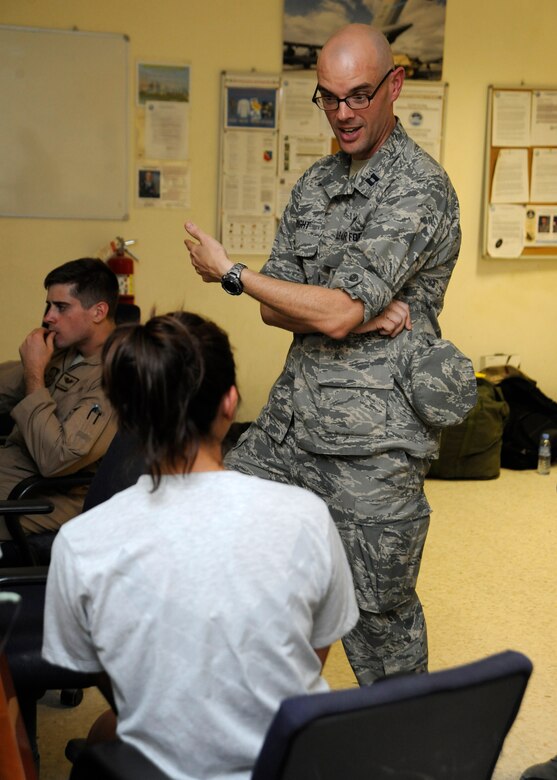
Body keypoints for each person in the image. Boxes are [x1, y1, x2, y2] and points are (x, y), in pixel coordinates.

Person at [184, 23, 476, 685]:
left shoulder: (417, 190)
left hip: (373, 445)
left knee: (379, 620)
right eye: (328, 98)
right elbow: (274, 306)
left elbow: (329, 310)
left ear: (393, 87)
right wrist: (347, 312)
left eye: (358, 95)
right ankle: (271, 718)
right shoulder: (315, 185)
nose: (342, 113)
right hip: (291, 426)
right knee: (235, 558)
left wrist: (237, 273)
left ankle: (405, 755)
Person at [42, 311, 358, 779]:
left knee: (104, 735)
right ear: (230, 403)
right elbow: (312, 655)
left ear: (124, 415)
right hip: (292, 763)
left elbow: (98, 671)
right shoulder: (306, 515)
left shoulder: (81, 541)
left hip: (164, 769)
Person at [0, 258, 119, 555]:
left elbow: (57, 460)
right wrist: (31, 365)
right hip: (11, 473)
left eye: (61, 307)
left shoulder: (114, 374)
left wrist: (35, 374)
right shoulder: (65, 352)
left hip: (43, 494)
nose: (48, 317)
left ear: (98, 312)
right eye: (48, 306)